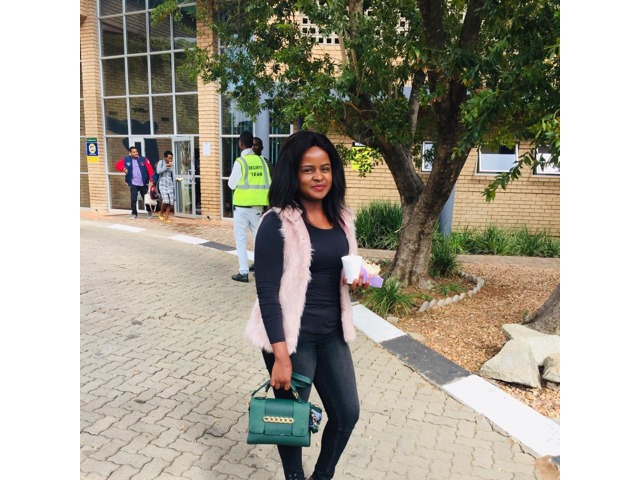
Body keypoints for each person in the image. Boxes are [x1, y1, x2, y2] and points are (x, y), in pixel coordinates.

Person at [245, 130, 369, 479]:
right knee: (291, 420)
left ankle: (321, 476)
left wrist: (355, 280)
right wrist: (281, 356)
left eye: (325, 168)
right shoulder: (276, 223)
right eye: (308, 169)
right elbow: (267, 294)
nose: (319, 177)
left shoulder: (342, 218)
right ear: (293, 174)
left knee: (347, 413)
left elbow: (338, 272)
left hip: (332, 334)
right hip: (291, 339)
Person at [228, 130, 272, 283]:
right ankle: (262, 270)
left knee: (241, 240)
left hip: (242, 207)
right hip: (258, 207)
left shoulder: (240, 162)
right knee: (259, 239)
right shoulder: (262, 161)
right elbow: (269, 183)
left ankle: (243, 272)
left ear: (241, 144)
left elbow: (231, 184)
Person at [115, 146, 155, 219]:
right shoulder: (126, 159)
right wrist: (123, 168)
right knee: (133, 199)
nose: (136, 153)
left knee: (146, 198)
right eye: (134, 152)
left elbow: (150, 170)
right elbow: (117, 165)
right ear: (130, 153)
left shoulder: (144, 159)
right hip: (133, 183)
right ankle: (134, 214)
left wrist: (151, 180)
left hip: (143, 182)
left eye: (136, 151)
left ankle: (149, 211)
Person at [156, 150, 175, 223]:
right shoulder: (161, 162)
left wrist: (171, 166)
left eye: (171, 158)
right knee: (166, 200)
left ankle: (166, 217)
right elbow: (158, 171)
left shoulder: (171, 163)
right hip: (162, 183)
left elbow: (172, 171)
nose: (170, 159)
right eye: (169, 158)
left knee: (170, 201)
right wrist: (166, 166)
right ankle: (161, 212)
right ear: (165, 158)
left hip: (170, 183)